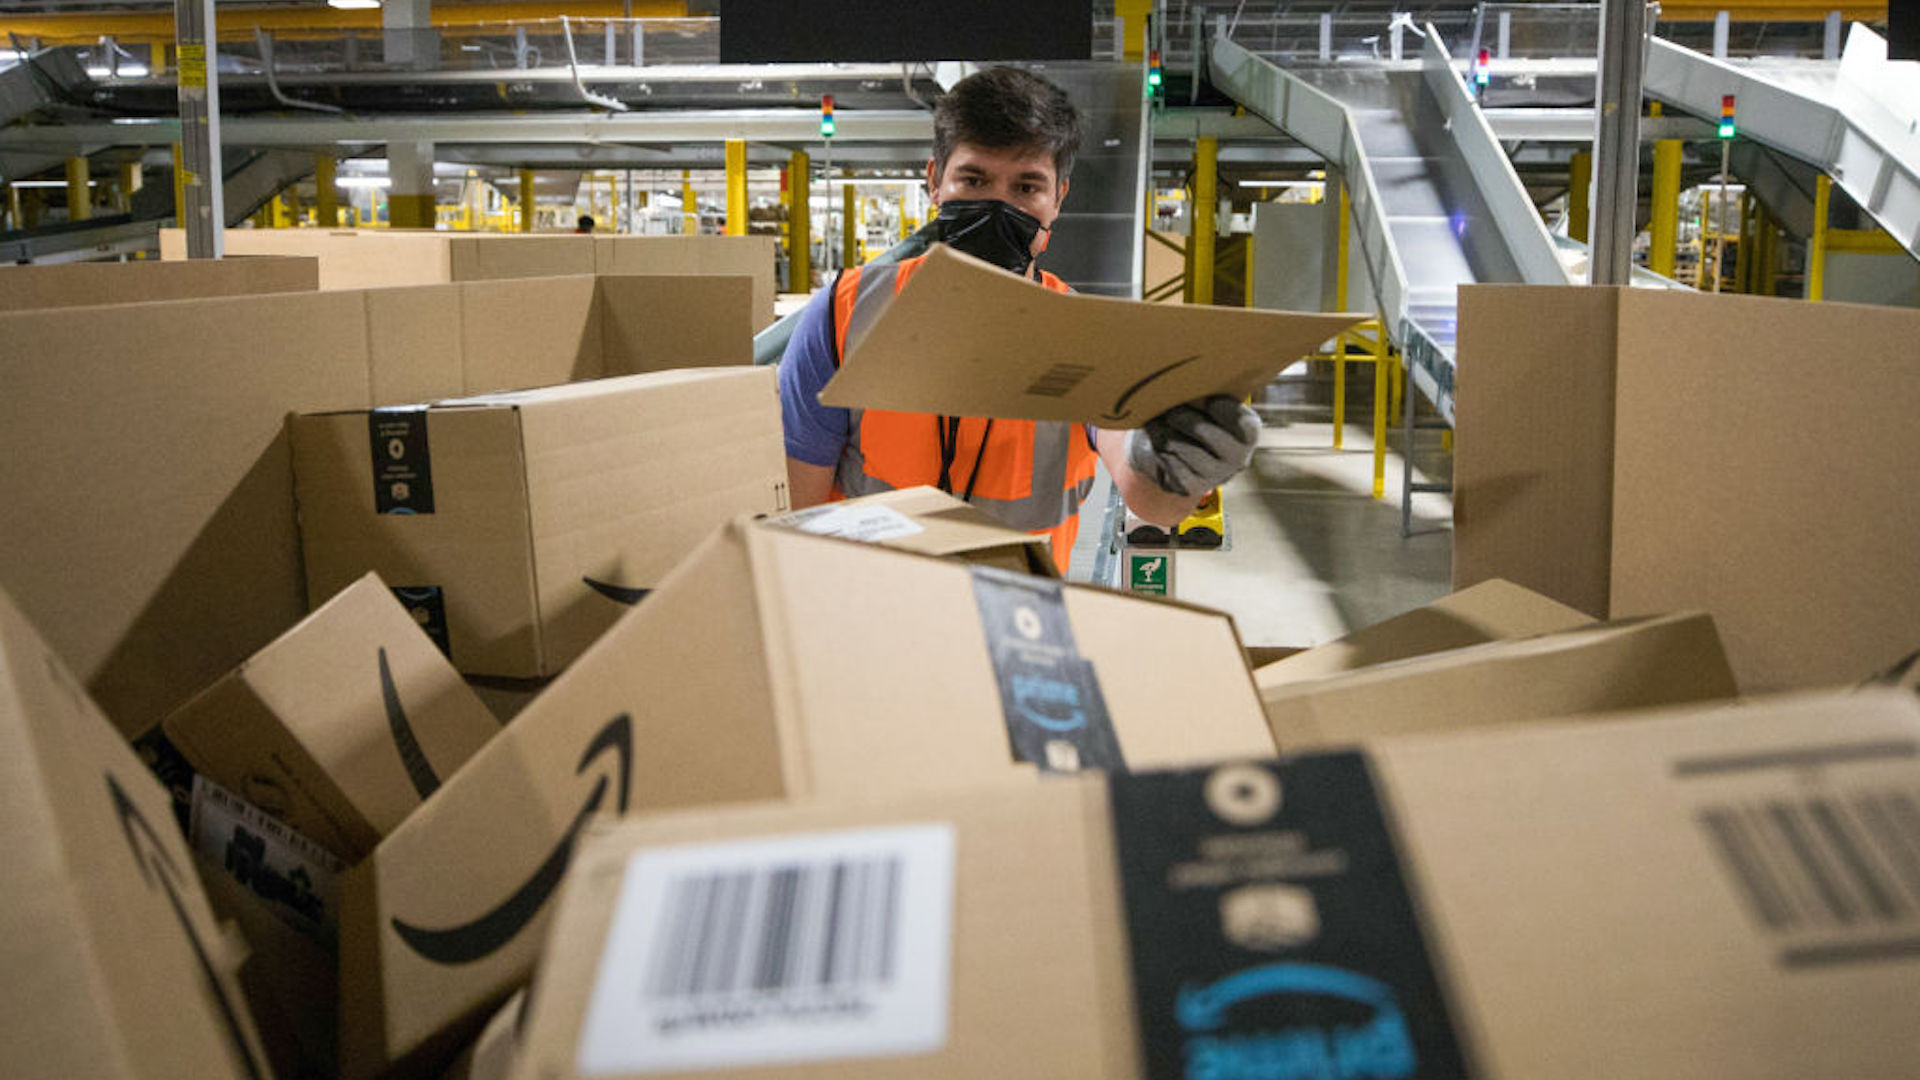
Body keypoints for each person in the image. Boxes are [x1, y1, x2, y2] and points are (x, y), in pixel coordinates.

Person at [778, 66, 1260, 574]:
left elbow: (1148, 498)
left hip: (1020, 623)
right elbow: (798, 508)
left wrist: (1186, 461)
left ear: (1057, 200)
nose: (997, 207)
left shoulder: (1087, 336)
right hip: (869, 616)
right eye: (975, 179)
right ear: (935, 181)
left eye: (1026, 187)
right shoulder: (844, 314)